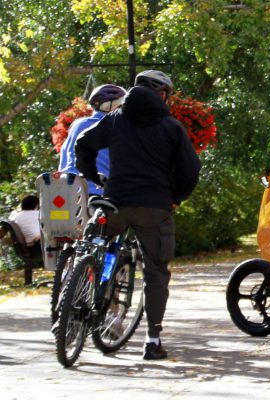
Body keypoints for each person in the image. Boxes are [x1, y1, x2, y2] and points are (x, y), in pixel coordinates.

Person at [75, 70, 201, 360]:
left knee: (97, 246)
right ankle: (152, 340)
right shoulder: (171, 127)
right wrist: (176, 196)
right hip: (154, 207)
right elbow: (191, 170)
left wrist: (95, 176)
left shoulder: (116, 120)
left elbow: (84, 144)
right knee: (156, 271)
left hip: (116, 201)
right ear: (163, 95)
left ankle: (82, 295)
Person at [59, 84, 127, 195]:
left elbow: (64, 159)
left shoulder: (77, 125)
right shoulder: (119, 128)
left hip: (68, 191)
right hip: (102, 193)